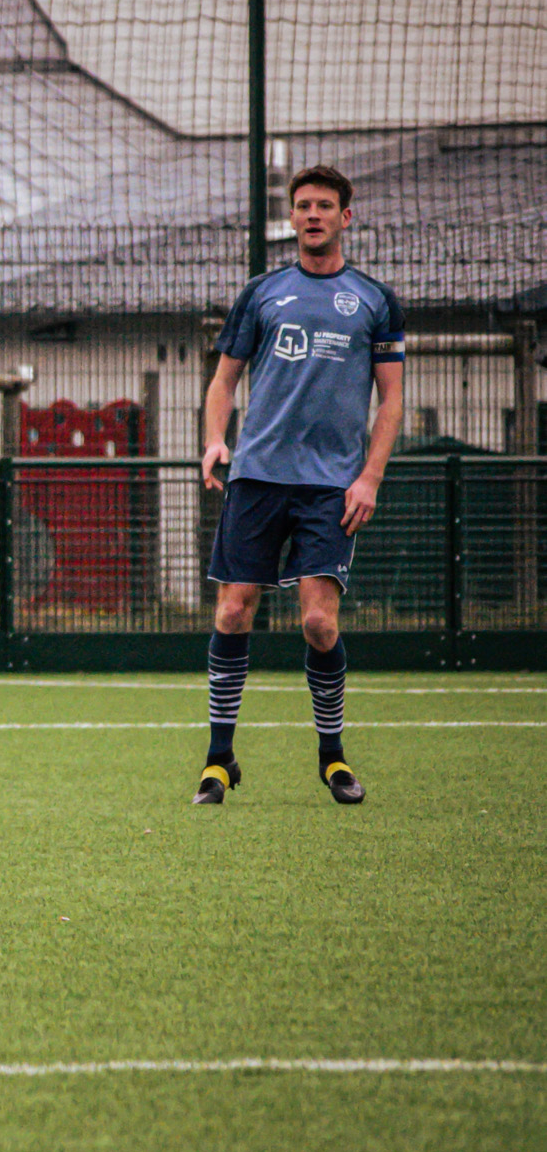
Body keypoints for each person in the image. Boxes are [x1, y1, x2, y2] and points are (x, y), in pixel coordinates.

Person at [195, 164, 405, 807]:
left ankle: (332, 758)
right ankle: (219, 761)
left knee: (318, 622)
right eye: (303, 205)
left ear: (347, 217)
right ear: (292, 217)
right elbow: (224, 381)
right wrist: (214, 439)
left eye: (325, 206)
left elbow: (391, 401)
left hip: (329, 488)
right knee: (233, 610)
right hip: (257, 477)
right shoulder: (262, 293)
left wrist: (368, 477)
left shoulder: (374, 300)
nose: (312, 214)